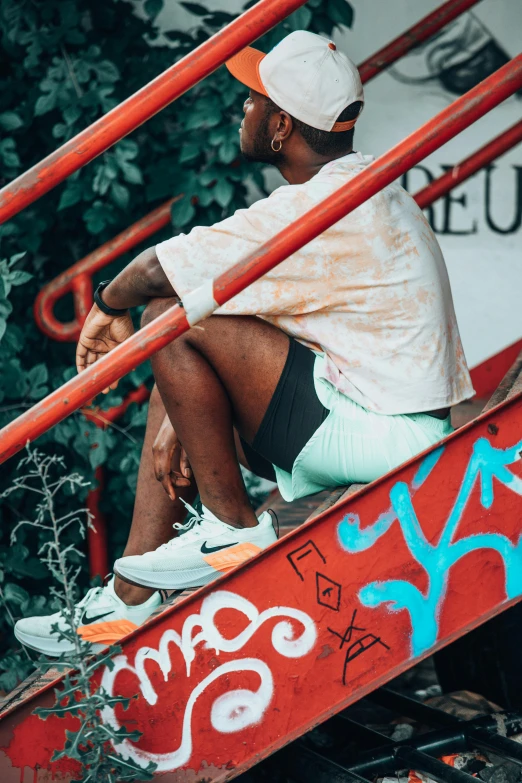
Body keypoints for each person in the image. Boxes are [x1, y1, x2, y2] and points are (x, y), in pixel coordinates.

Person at [14, 30, 474, 656]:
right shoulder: (360, 186)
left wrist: (103, 306)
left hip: (388, 437)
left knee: (164, 315)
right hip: (381, 419)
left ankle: (230, 528)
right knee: (176, 341)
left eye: (253, 100)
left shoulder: (322, 206)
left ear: (281, 126)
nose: (243, 110)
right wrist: (184, 411)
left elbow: (159, 271)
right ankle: (128, 598)